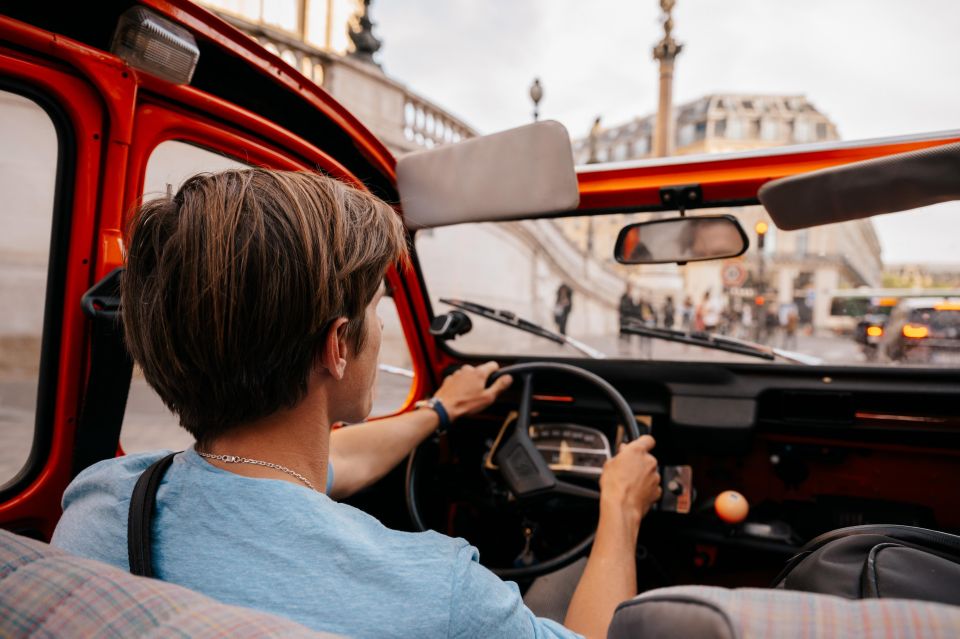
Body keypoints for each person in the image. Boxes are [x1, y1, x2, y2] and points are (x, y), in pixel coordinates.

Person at [52, 169, 662, 639]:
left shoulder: (104, 500)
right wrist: (620, 510)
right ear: (338, 344)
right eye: (376, 310)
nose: (380, 329)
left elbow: (306, 470)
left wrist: (439, 412)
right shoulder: (439, 590)